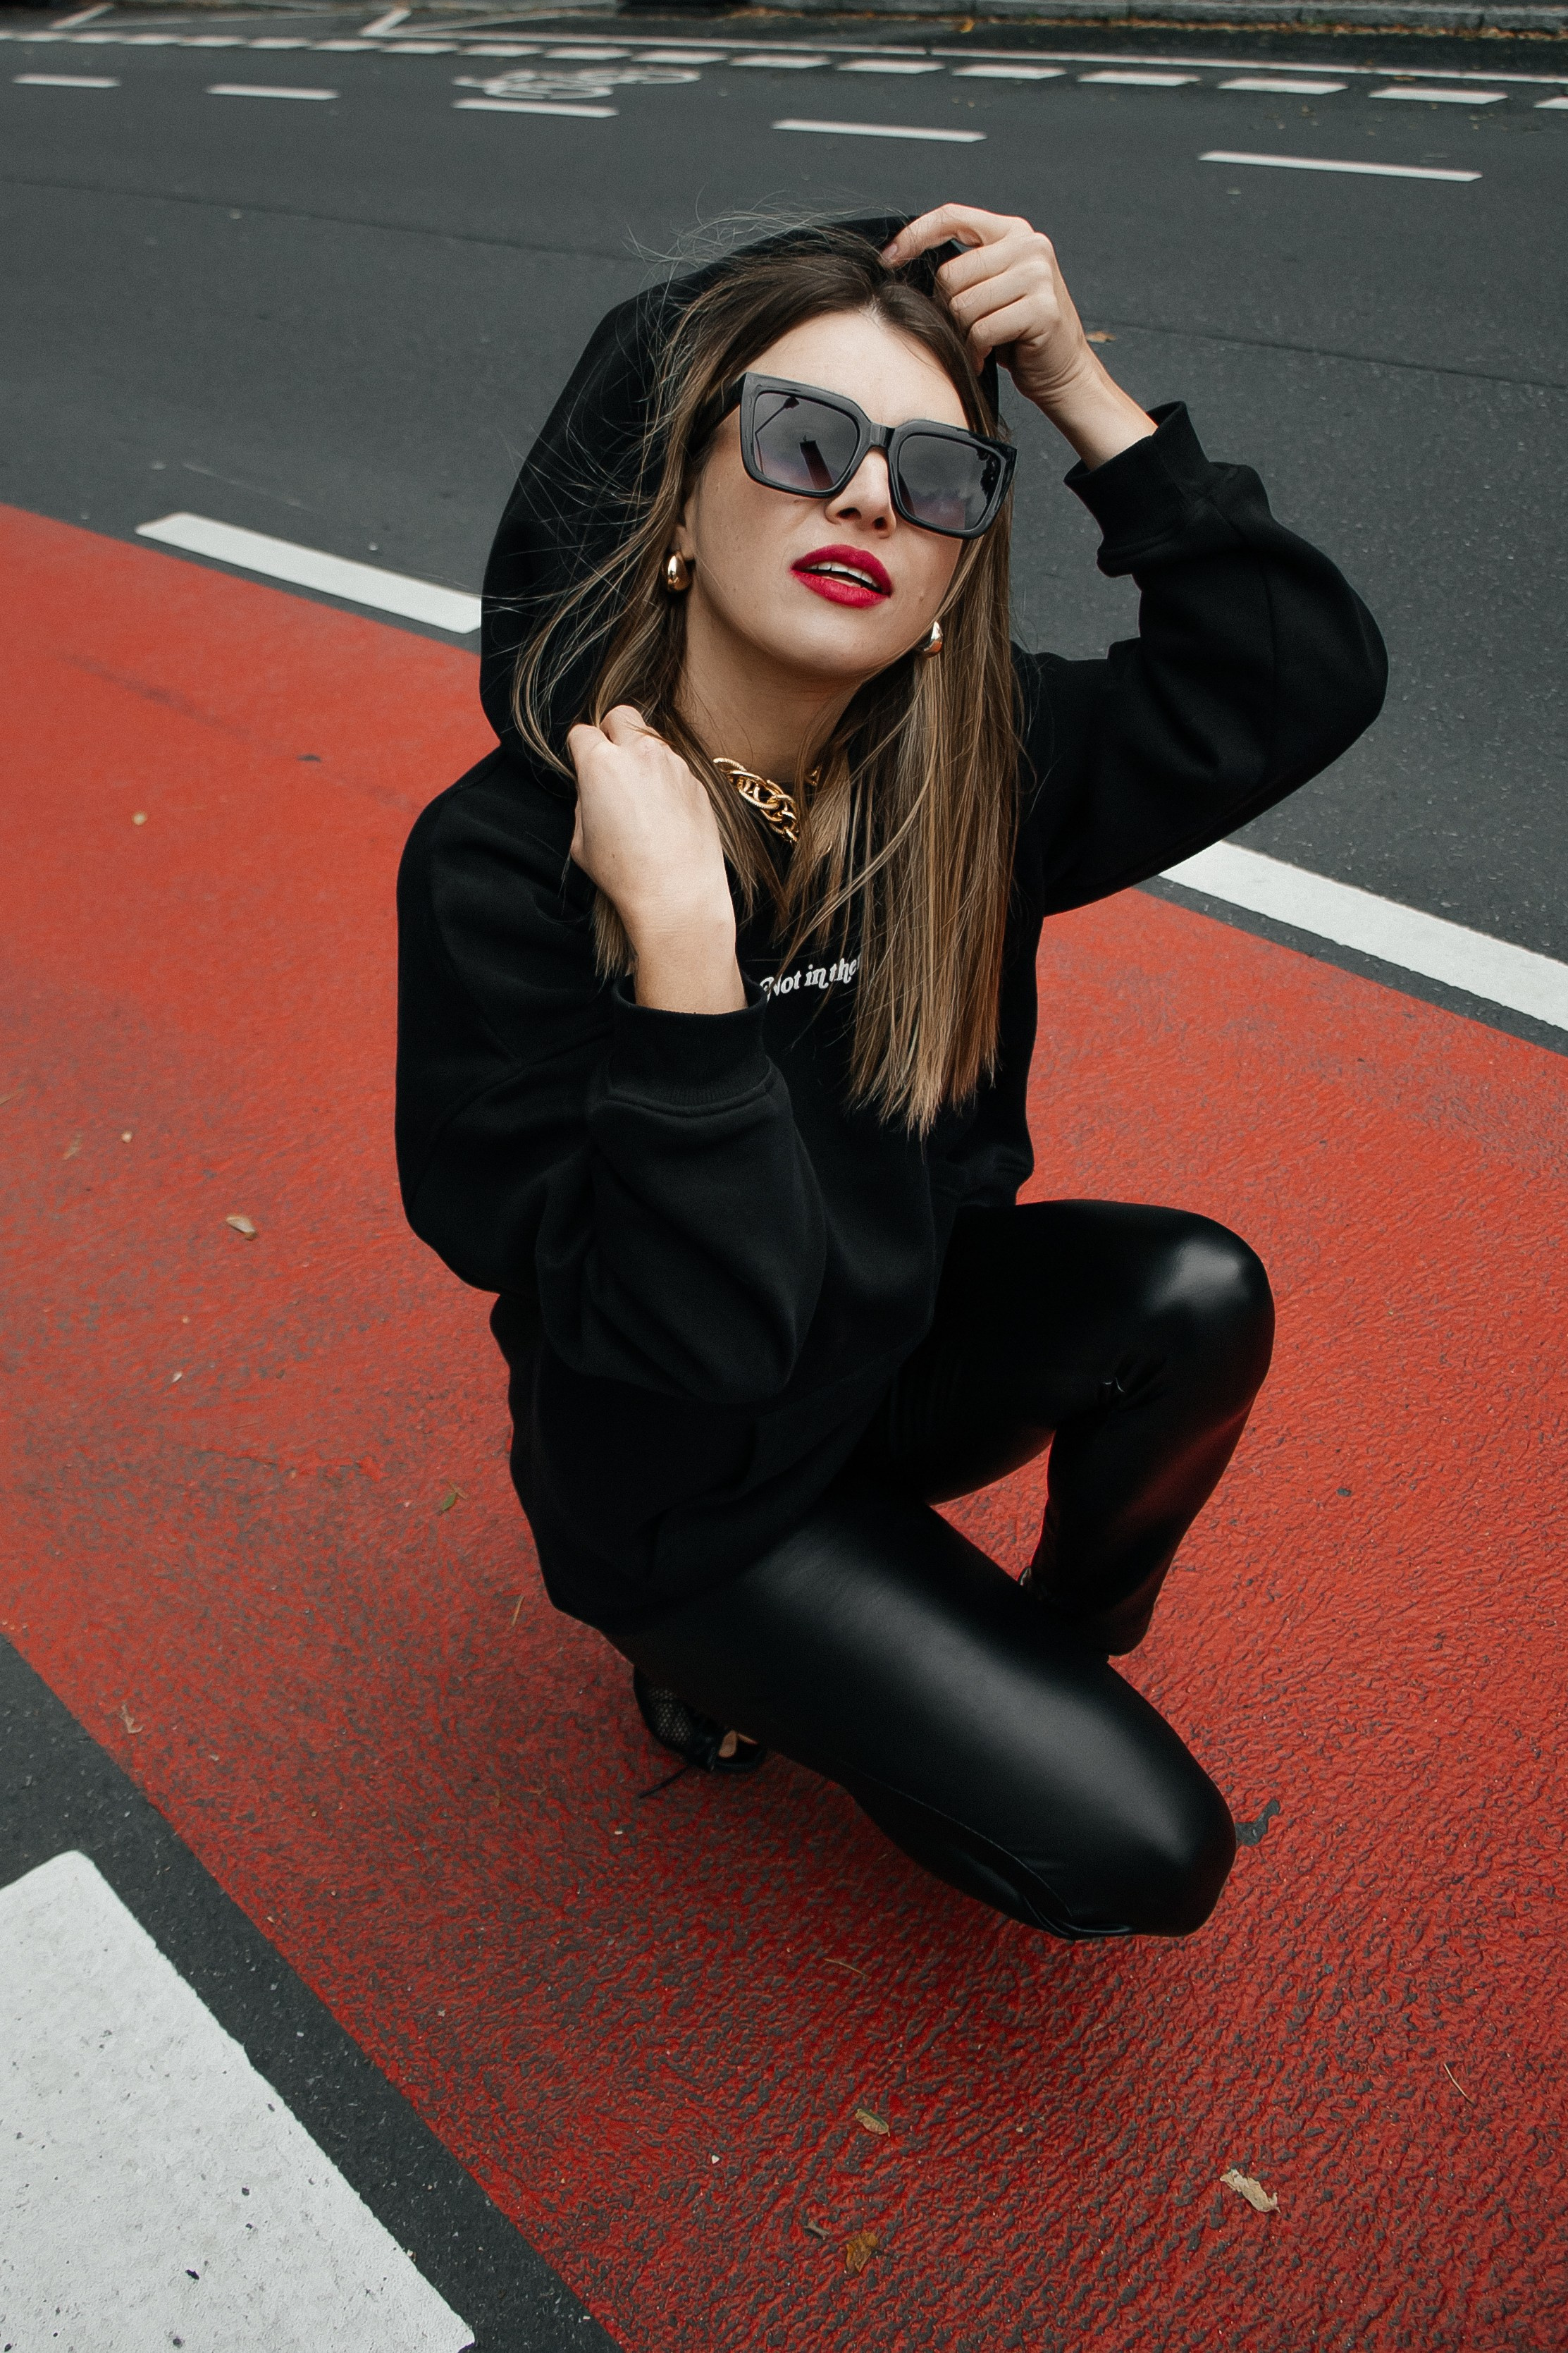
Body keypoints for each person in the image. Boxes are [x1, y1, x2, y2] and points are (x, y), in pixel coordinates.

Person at [396, 207, 1385, 1943]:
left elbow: (1298, 679)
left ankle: (1044, 1648)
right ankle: (741, 1659)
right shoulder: (503, 865)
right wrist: (687, 962)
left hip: (895, 1356)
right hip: (693, 1481)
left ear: (949, 576)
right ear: (681, 511)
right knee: (1145, 1854)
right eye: (802, 441)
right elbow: (686, 1334)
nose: (868, 497)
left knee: (1194, 1290)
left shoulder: (968, 766)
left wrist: (1078, 387)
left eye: (936, 479)